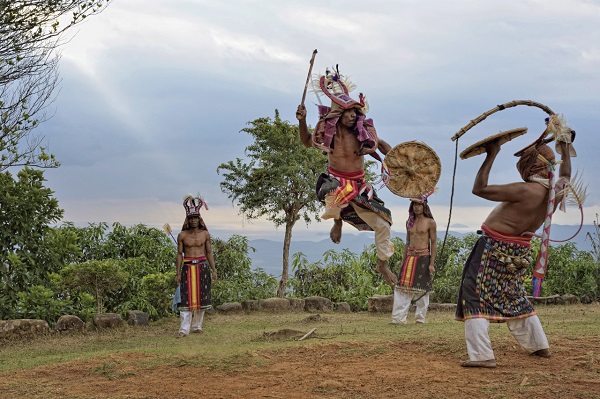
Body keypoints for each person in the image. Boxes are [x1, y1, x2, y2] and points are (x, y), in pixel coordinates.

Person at [455, 116, 574, 368]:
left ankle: (482, 355)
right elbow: (565, 172)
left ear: (531, 166)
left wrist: (491, 153)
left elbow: (479, 189)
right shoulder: (555, 191)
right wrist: (562, 141)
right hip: (518, 251)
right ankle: (539, 345)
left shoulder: (526, 190)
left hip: (493, 249)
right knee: (512, 296)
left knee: (474, 294)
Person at [295, 67, 397, 285]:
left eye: (355, 112)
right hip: (333, 183)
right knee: (337, 192)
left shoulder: (362, 132)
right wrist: (302, 121)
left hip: (359, 185)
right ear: (338, 114)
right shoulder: (327, 133)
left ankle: (383, 264)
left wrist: (400, 160)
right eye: (348, 112)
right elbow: (306, 142)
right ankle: (337, 221)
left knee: (384, 223)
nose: (352, 115)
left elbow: (384, 146)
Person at [175, 194, 217, 338]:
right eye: (191, 218)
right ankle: (184, 329)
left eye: (195, 218)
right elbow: (179, 254)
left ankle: (197, 326)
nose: (193, 221)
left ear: (199, 219)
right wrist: (178, 273)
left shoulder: (205, 234)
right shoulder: (182, 235)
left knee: (202, 297)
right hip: (187, 268)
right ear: (188, 219)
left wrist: (214, 270)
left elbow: (209, 252)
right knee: (185, 299)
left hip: (202, 267)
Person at [391, 194, 437, 324]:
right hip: (410, 257)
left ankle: (420, 319)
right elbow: (407, 242)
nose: (417, 207)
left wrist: (432, 263)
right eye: (414, 204)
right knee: (401, 288)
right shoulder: (409, 222)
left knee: (422, 289)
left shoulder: (430, 222)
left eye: (419, 204)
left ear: (424, 206)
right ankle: (398, 319)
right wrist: (403, 259)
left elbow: (433, 243)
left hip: (423, 257)